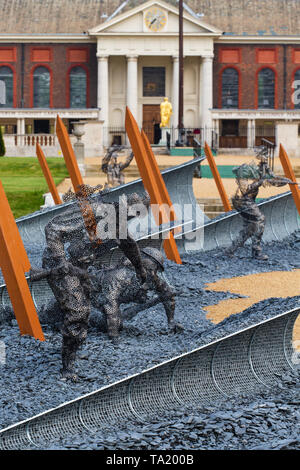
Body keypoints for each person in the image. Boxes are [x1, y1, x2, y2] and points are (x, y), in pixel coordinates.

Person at [35, 185, 149, 381]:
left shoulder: (116, 222)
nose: (132, 218)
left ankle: (70, 346)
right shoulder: (91, 212)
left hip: (81, 269)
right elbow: (52, 229)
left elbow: (129, 245)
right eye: (131, 212)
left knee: (81, 309)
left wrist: (139, 268)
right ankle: (67, 368)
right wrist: (61, 260)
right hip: (60, 266)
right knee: (78, 311)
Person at [227, 147, 296, 260]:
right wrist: (260, 181)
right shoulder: (243, 170)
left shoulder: (262, 169)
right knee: (260, 219)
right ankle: (256, 251)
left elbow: (272, 180)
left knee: (251, 226)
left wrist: (285, 181)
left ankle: (231, 250)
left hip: (249, 201)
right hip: (242, 201)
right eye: (263, 156)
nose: (265, 159)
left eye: (266, 156)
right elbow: (245, 190)